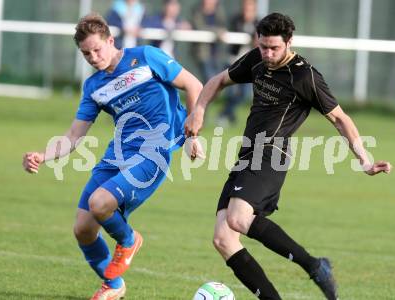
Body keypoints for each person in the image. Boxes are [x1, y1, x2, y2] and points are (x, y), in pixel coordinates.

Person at [185, 13, 392, 300]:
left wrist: (365, 160)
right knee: (223, 239)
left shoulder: (305, 75)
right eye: (263, 47)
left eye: (275, 48)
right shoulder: (256, 59)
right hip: (247, 155)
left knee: (238, 218)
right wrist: (198, 110)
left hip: (272, 154)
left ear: (289, 42)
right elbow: (217, 81)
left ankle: (314, 265)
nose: (268, 55)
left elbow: (340, 119)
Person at [22, 13, 203, 300]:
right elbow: (73, 136)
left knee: (99, 203)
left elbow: (194, 85)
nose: (93, 57)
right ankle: (113, 285)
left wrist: (193, 136)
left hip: (152, 152)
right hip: (117, 154)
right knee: (83, 229)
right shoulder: (93, 87)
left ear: (111, 40)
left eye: (97, 49)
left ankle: (129, 240)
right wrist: (43, 156)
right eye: (86, 53)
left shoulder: (146, 56)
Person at [218, 0, 259, 125]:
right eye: (245, 7)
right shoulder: (236, 20)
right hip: (233, 61)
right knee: (230, 91)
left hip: (249, 64)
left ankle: (226, 113)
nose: (247, 10)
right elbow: (228, 32)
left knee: (243, 94)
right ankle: (228, 115)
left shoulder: (259, 23)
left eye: (250, 7)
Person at [190, 0, 226, 82]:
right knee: (210, 80)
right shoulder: (197, 10)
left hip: (217, 52)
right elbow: (200, 27)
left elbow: (223, 27)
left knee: (216, 82)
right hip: (203, 53)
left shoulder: (219, 10)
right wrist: (217, 32)